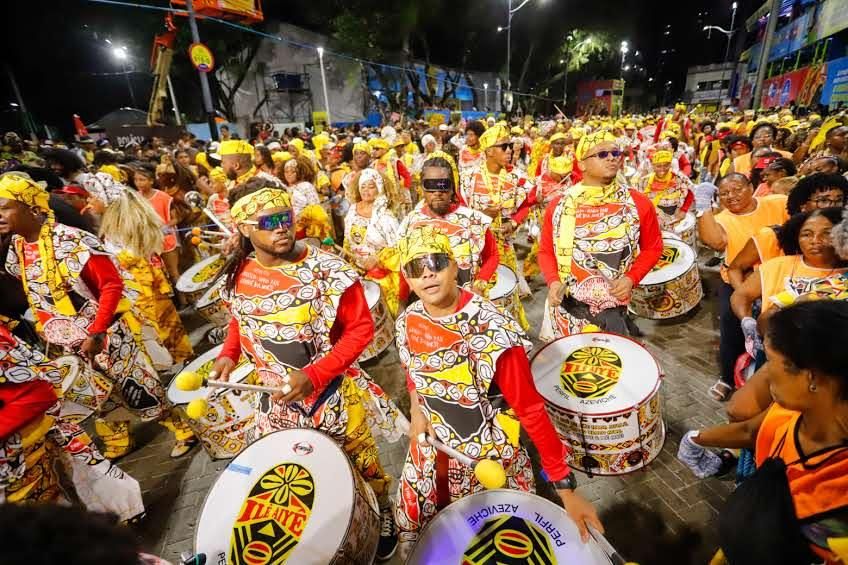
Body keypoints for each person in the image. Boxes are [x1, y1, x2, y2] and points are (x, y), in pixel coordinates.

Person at [213, 179, 404, 561]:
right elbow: (240, 318)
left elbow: (360, 330)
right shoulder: (238, 272)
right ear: (244, 228)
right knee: (298, 475)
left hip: (332, 398)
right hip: (275, 404)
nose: (282, 227)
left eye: (285, 217)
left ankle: (378, 513)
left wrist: (315, 375)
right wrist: (228, 354)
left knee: (362, 465)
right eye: (269, 222)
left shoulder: (326, 269)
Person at [394, 225, 603, 557]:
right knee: (431, 544)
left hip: (487, 457)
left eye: (436, 261)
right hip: (431, 453)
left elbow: (530, 409)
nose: (428, 274)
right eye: (416, 267)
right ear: (407, 277)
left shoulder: (493, 329)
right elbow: (412, 370)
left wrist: (564, 487)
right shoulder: (408, 320)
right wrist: (418, 411)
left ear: (454, 265)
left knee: (491, 546)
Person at [0, 173, 196, 459]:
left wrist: (97, 331)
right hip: (66, 340)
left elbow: (111, 285)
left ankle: (180, 427)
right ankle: (117, 439)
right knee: (98, 396)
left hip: (106, 334)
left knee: (137, 386)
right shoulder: (17, 249)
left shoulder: (72, 241)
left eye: (5, 207)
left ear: (31, 208)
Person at [677, 300, 848, 565]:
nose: (764, 372)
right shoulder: (790, 413)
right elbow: (749, 430)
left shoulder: (837, 491)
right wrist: (696, 439)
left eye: (770, 362)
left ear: (811, 377)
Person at [538, 130, 663, 339]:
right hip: (567, 307)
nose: (612, 157)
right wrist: (553, 281)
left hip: (613, 309)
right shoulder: (558, 205)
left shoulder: (638, 203)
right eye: (602, 154)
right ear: (582, 164)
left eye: (616, 153)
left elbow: (653, 247)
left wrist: (631, 278)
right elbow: (545, 251)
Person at [696, 174, 789, 401]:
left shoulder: (777, 202)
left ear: (752, 187)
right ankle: (726, 378)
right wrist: (702, 207)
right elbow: (715, 242)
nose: (731, 196)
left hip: (779, 279)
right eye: (724, 193)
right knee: (732, 330)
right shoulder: (724, 219)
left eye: (737, 189)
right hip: (737, 281)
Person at [99, 190, 193, 365]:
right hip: (147, 285)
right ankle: (180, 359)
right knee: (165, 324)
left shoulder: (124, 229)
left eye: (92, 196)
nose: (90, 200)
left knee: (157, 327)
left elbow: (132, 257)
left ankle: (175, 362)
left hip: (141, 288)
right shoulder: (129, 227)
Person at [463, 123, 535, 329]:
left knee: (506, 290)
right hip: (476, 249)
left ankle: (509, 331)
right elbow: (459, 211)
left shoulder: (517, 178)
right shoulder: (468, 177)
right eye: (504, 146)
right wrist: (481, 216)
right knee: (478, 292)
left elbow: (527, 204)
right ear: (489, 151)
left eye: (510, 146)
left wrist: (513, 223)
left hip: (504, 246)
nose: (510, 150)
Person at [398, 151, 498, 299]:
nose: (437, 191)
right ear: (421, 189)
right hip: (429, 305)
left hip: (467, 301)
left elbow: (492, 255)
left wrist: (481, 282)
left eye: (443, 185)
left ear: (452, 188)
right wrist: (402, 300)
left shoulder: (474, 220)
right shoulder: (409, 224)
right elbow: (403, 267)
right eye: (430, 185)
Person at [727, 173, 848, 289]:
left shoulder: (844, 238)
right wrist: (749, 297)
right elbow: (735, 269)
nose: (833, 206)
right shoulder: (771, 236)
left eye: (839, 200)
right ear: (803, 205)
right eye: (823, 200)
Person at [343, 168, 402, 316]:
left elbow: (397, 247)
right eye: (363, 186)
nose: (366, 190)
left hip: (380, 276)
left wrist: (377, 260)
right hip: (354, 271)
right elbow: (347, 239)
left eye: (371, 186)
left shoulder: (385, 216)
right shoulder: (352, 210)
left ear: (379, 188)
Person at [132, 165, 181, 287]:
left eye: (142, 179)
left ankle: (185, 301)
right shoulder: (135, 199)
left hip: (166, 240)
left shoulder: (163, 197)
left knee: (173, 272)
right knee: (157, 275)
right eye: (136, 180)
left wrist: (165, 227)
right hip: (147, 243)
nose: (138, 183)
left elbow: (176, 218)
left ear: (151, 181)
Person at [636, 146, 694, 231]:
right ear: (653, 166)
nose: (662, 169)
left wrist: (684, 210)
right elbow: (639, 202)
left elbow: (690, 193)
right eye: (658, 166)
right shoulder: (644, 181)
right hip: (654, 221)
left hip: (675, 219)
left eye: (666, 165)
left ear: (670, 165)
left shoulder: (679, 178)